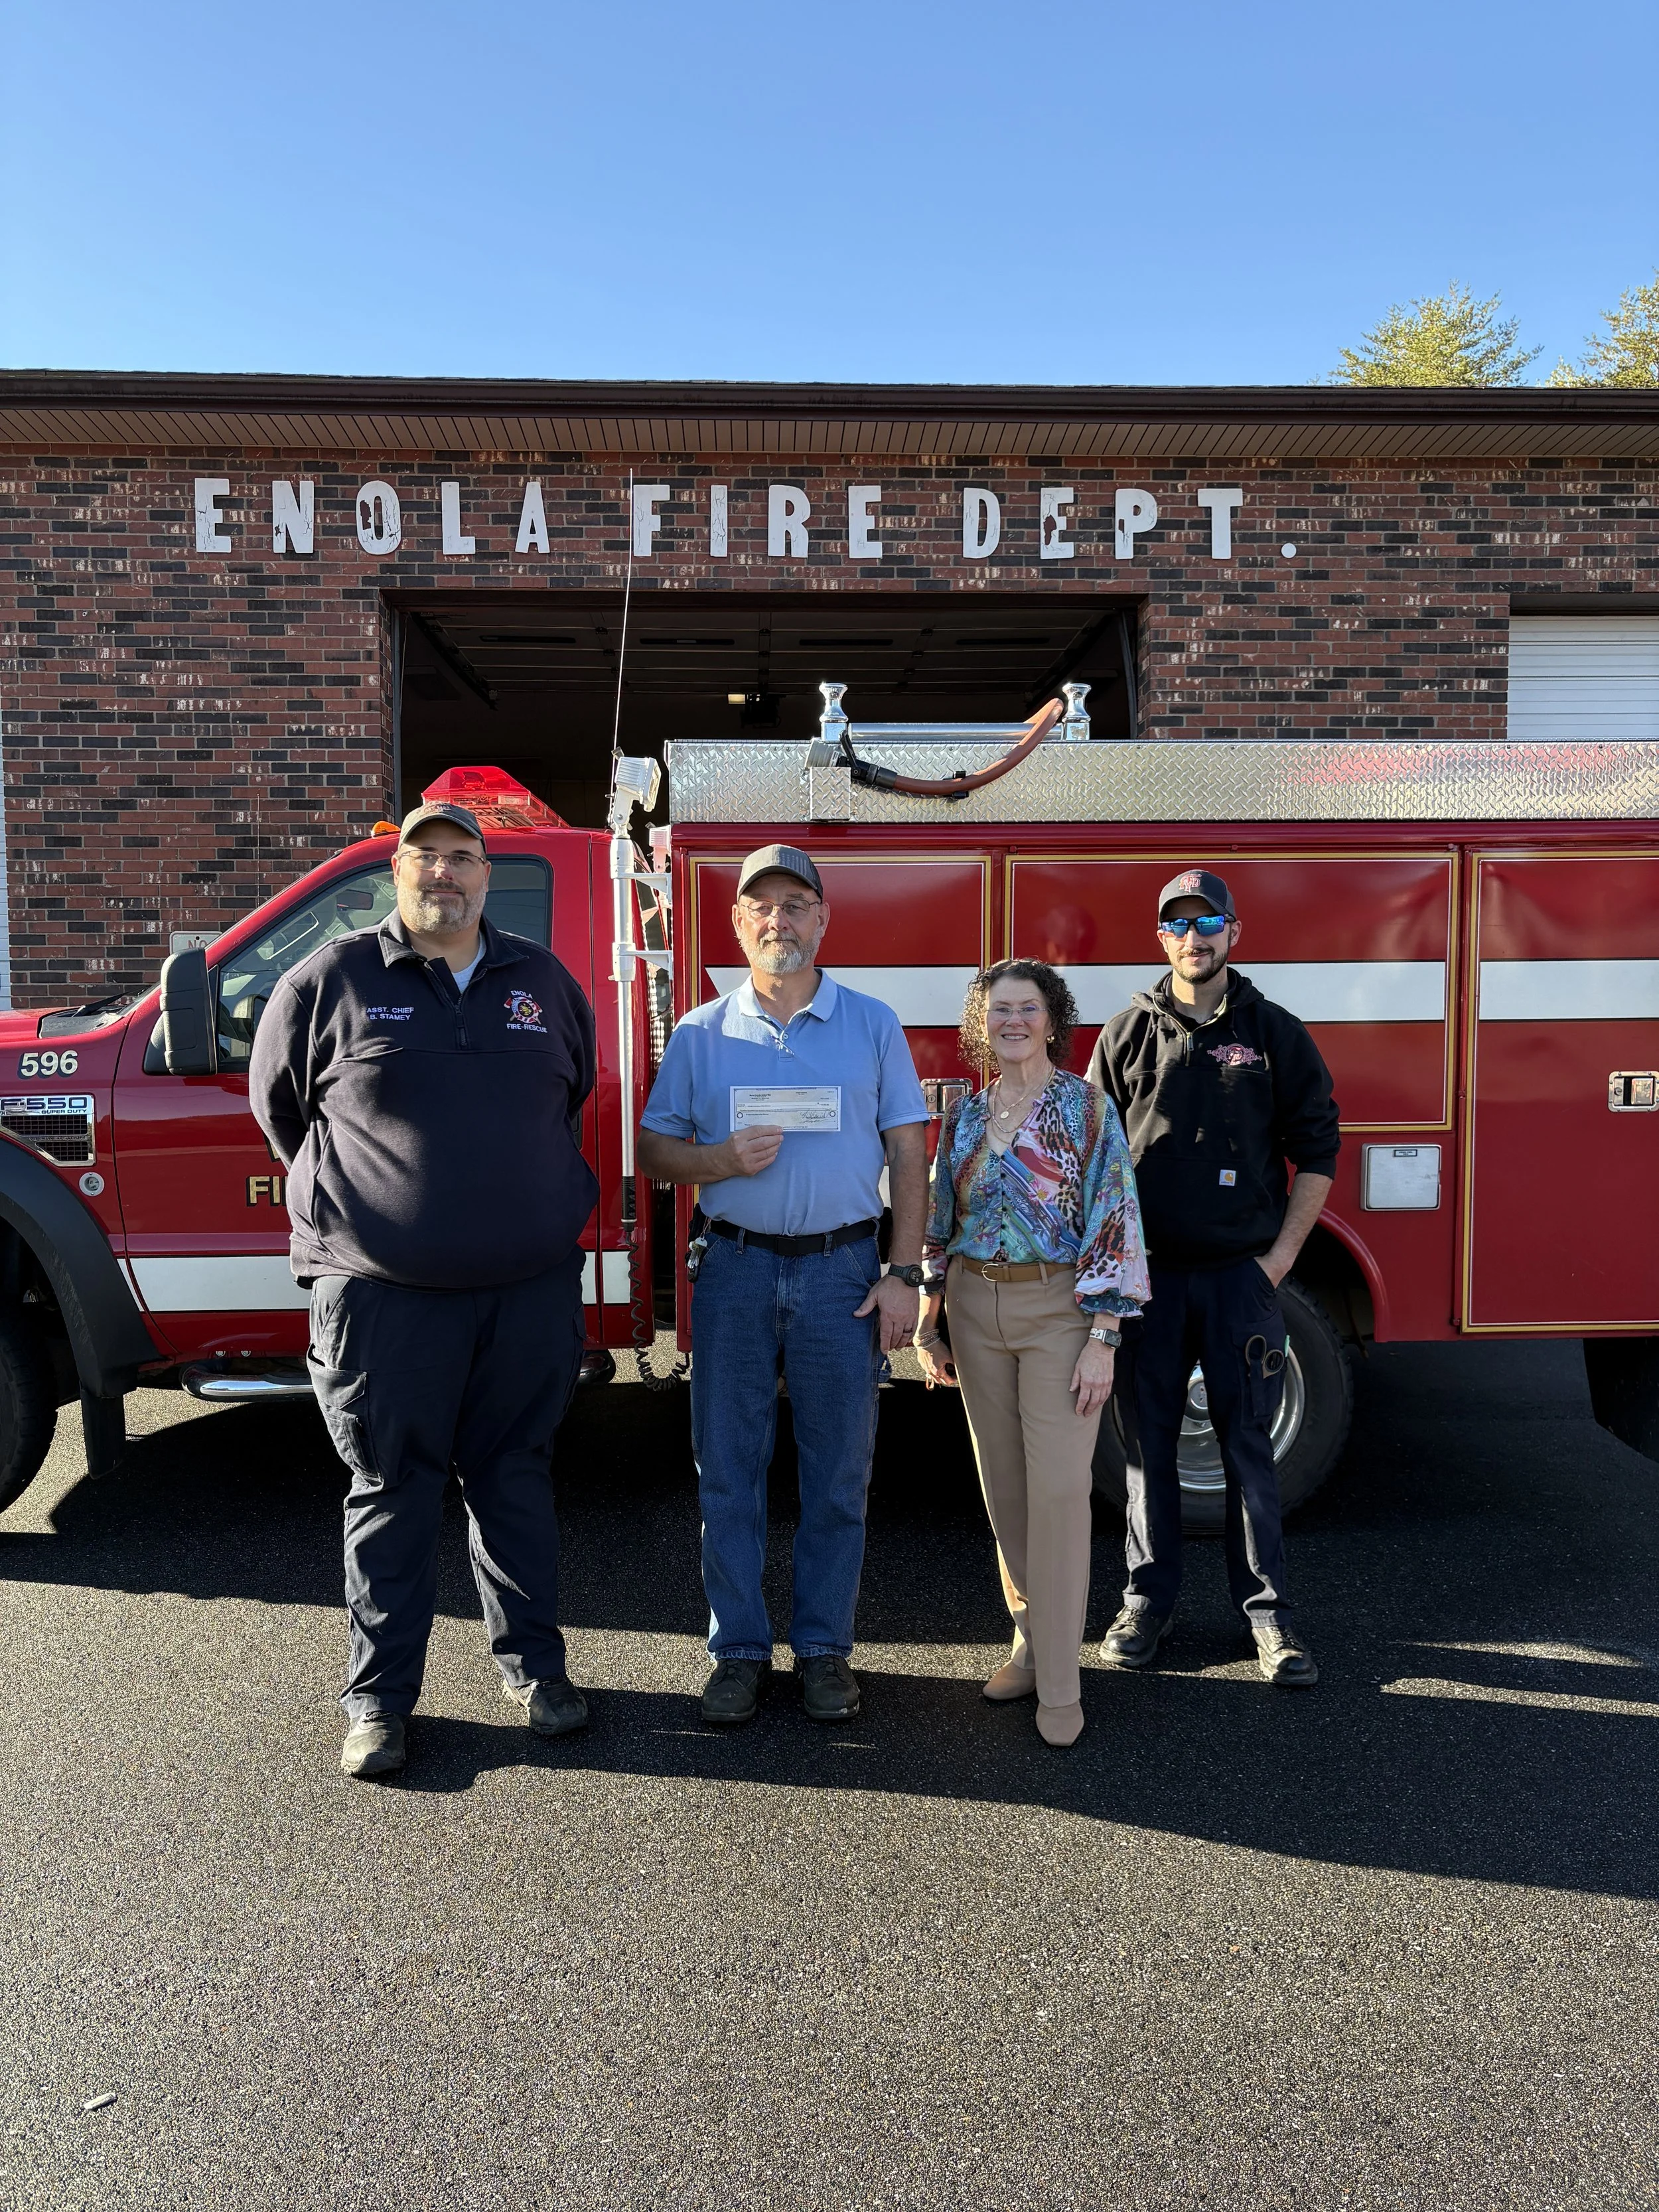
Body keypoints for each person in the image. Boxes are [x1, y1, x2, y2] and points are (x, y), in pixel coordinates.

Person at [250, 798, 598, 1780]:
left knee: (515, 1480)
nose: (443, 873)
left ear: (488, 873)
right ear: (392, 874)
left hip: (525, 1292)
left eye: (462, 857)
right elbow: (283, 1115)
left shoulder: (542, 979)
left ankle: (536, 1671)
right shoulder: (330, 980)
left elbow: (571, 1094)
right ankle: (379, 1702)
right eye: (424, 857)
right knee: (390, 1492)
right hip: (381, 1301)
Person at [636, 844, 929, 1727]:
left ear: (823, 919)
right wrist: (719, 1158)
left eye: (796, 904)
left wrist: (905, 1271)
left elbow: (910, 1155)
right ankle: (737, 1651)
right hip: (733, 1265)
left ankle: (826, 1650)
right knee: (728, 1470)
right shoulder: (698, 1032)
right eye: (761, 906)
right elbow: (653, 1154)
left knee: (839, 1471)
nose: (780, 920)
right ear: (737, 925)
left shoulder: (872, 1023)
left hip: (844, 1268)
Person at [1086, 867, 1339, 1687]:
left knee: (1247, 1452)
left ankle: (1269, 1620)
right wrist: (1108, 1270)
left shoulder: (1275, 1033)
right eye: (1178, 925)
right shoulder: (1125, 1033)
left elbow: (1319, 1152)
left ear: (1235, 933)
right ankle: (1144, 1605)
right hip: (1146, 1281)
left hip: (1239, 1280)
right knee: (1145, 1452)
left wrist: (1277, 1263)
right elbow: (1094, 1162)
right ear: (1160, 937)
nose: (1194, 939)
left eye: (1209, 924)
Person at [915, 960, 1149, 1747]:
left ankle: (1059, 1681)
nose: (1011, 1020)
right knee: (1005, 1491)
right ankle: (1027, 1636)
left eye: (1027, 1008)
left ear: (1053, 1020)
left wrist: (1104, 1337)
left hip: (1060, 1312)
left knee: (1056, 1491)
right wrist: (929, 1316)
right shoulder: (965, 1116)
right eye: (997, 1010)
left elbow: (1114, 1217)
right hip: (975, 1307)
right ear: (981, 1026)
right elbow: (939, 1221)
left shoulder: (1086, 1109)